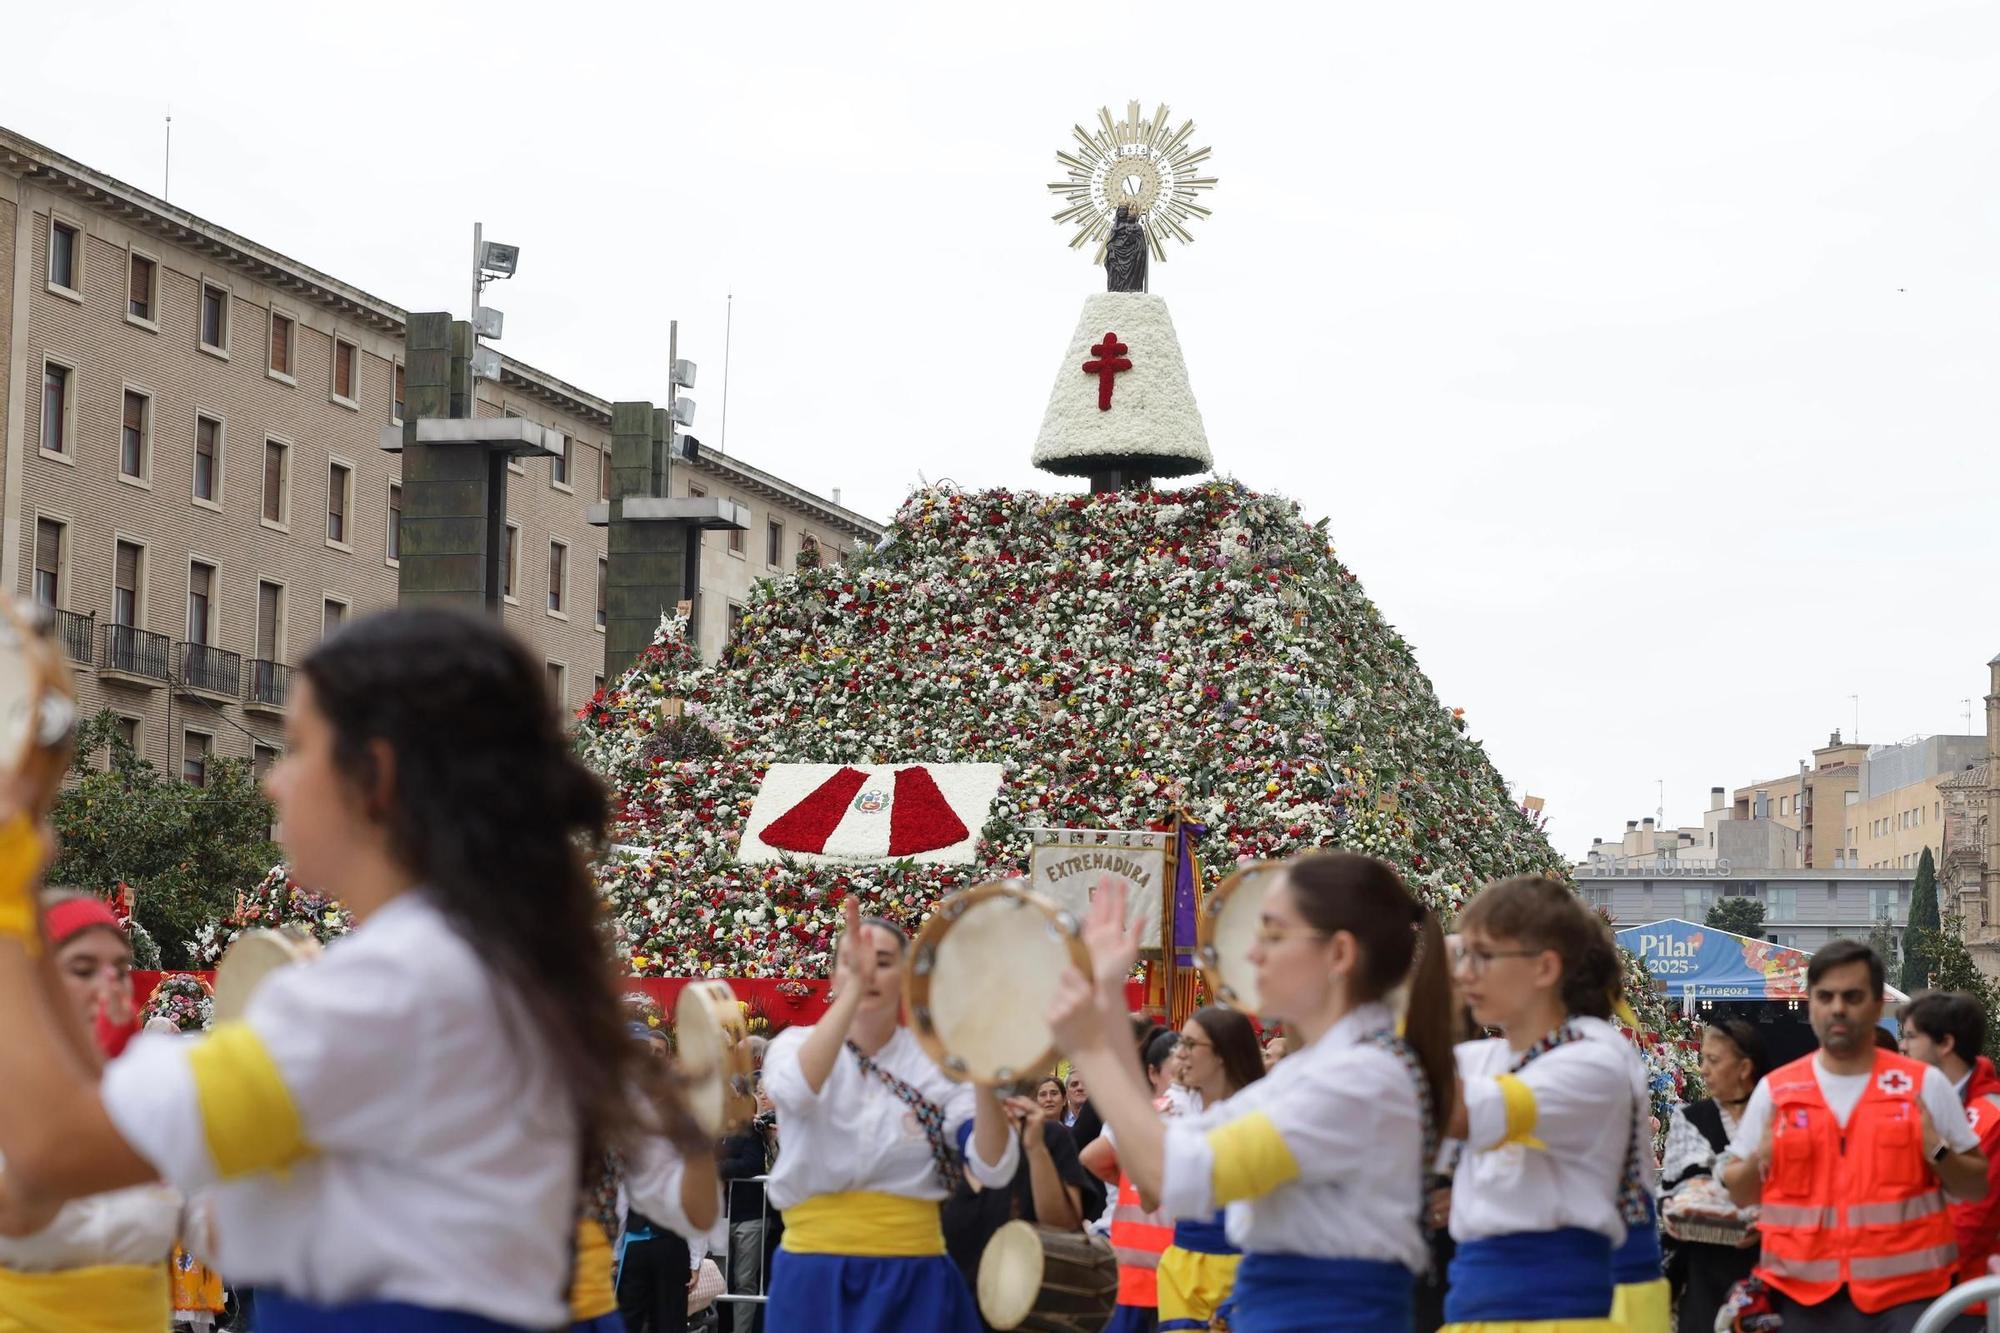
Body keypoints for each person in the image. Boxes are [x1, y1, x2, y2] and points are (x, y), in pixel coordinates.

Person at [0, 606, 718, 1331]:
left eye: (299, 747)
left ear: (376, 774)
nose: (274, 782)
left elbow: (55, 1146)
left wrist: (9, 868)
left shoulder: (391, 987)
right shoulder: (485, 958)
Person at [1052, 853, 1457, 1332]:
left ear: (1340, 954)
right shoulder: (1325, 1068)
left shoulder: (1360, 1078)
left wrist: (1095, 1042)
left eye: (1273, 934)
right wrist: (1105, 1016)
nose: (1252, 954)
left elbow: (1175, 1171)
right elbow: (1156, 1172)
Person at [758, 896, 1018, 1331]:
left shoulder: (938, 1065)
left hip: (913, 1273)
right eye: (852, 962)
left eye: (882, 962)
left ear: (906, 976)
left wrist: (986, 1076)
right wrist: (854, 992)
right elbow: (796, 1092)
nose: (866, 972)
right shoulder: (795, 1045)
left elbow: (992, 1165)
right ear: (834, 976)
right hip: (813, 1272)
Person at [1720, 940, 1986, 1332]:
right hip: (1802, 1300)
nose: (1838, 1008)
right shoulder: (1777, 1091)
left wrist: (1939, 1151)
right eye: (1825, 996)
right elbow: (1740, 1193)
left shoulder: (1922, 1086)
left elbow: (1978, 1186)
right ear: (1810, 1004)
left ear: (1878, 1006)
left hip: (1907, 1301)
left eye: (1852, 996)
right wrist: (1764, 1153)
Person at [1447, 874, 1650, 1328]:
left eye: (1482, 956)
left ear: (1544, 968)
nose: (1463, 973)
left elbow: (1450, 1109)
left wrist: (1425, 997)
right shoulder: (1485, 1058)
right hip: (1475, 1309)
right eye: (1464, 956)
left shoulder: (1596, 1056)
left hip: (1559, 1315)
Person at [0, 892, 180, 1330]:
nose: (109, 985)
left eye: (120, 970)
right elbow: (17, 1210)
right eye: (83, 970)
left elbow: (218, 1235)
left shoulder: (154, 1095)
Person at [942, 1090, 1092, 1327]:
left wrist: (1035, 1148)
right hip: (948, 1309)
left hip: (1029, 1315)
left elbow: (1063, 1228)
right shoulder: (937, 1139)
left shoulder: (1046, 1134)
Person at [1080, 1025, 1195, 1332]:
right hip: (1155, 1265)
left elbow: (1092, 1157)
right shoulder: (1150, 1115)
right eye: (1176, 1071)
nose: (1182, 1079)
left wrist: (1143, 1182)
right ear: (1153, 1073)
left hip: (1157, 1264)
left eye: (1187, 1069)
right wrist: (1145, 1183)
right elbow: (1093, 1157)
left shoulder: (1147, 1114)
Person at [1660, 1019, 1769, 1333]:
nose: (1703, 1069)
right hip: (1705, 1267)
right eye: (1703, 1059)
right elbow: (1672, 1192)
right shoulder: (1691, 1119)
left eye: (1714, 1060)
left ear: (1745, 1067)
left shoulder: (1775, 1116)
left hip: (1767, 1265)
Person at [1900, 990, 2000, 1329]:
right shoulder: (1929, 1107)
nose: (1903, 1048)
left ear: (1945, 1044)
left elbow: (1970, 1221)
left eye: (1911, 1037)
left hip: (1968, 1303)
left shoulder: (1989, 1117)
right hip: (1931, 1292)